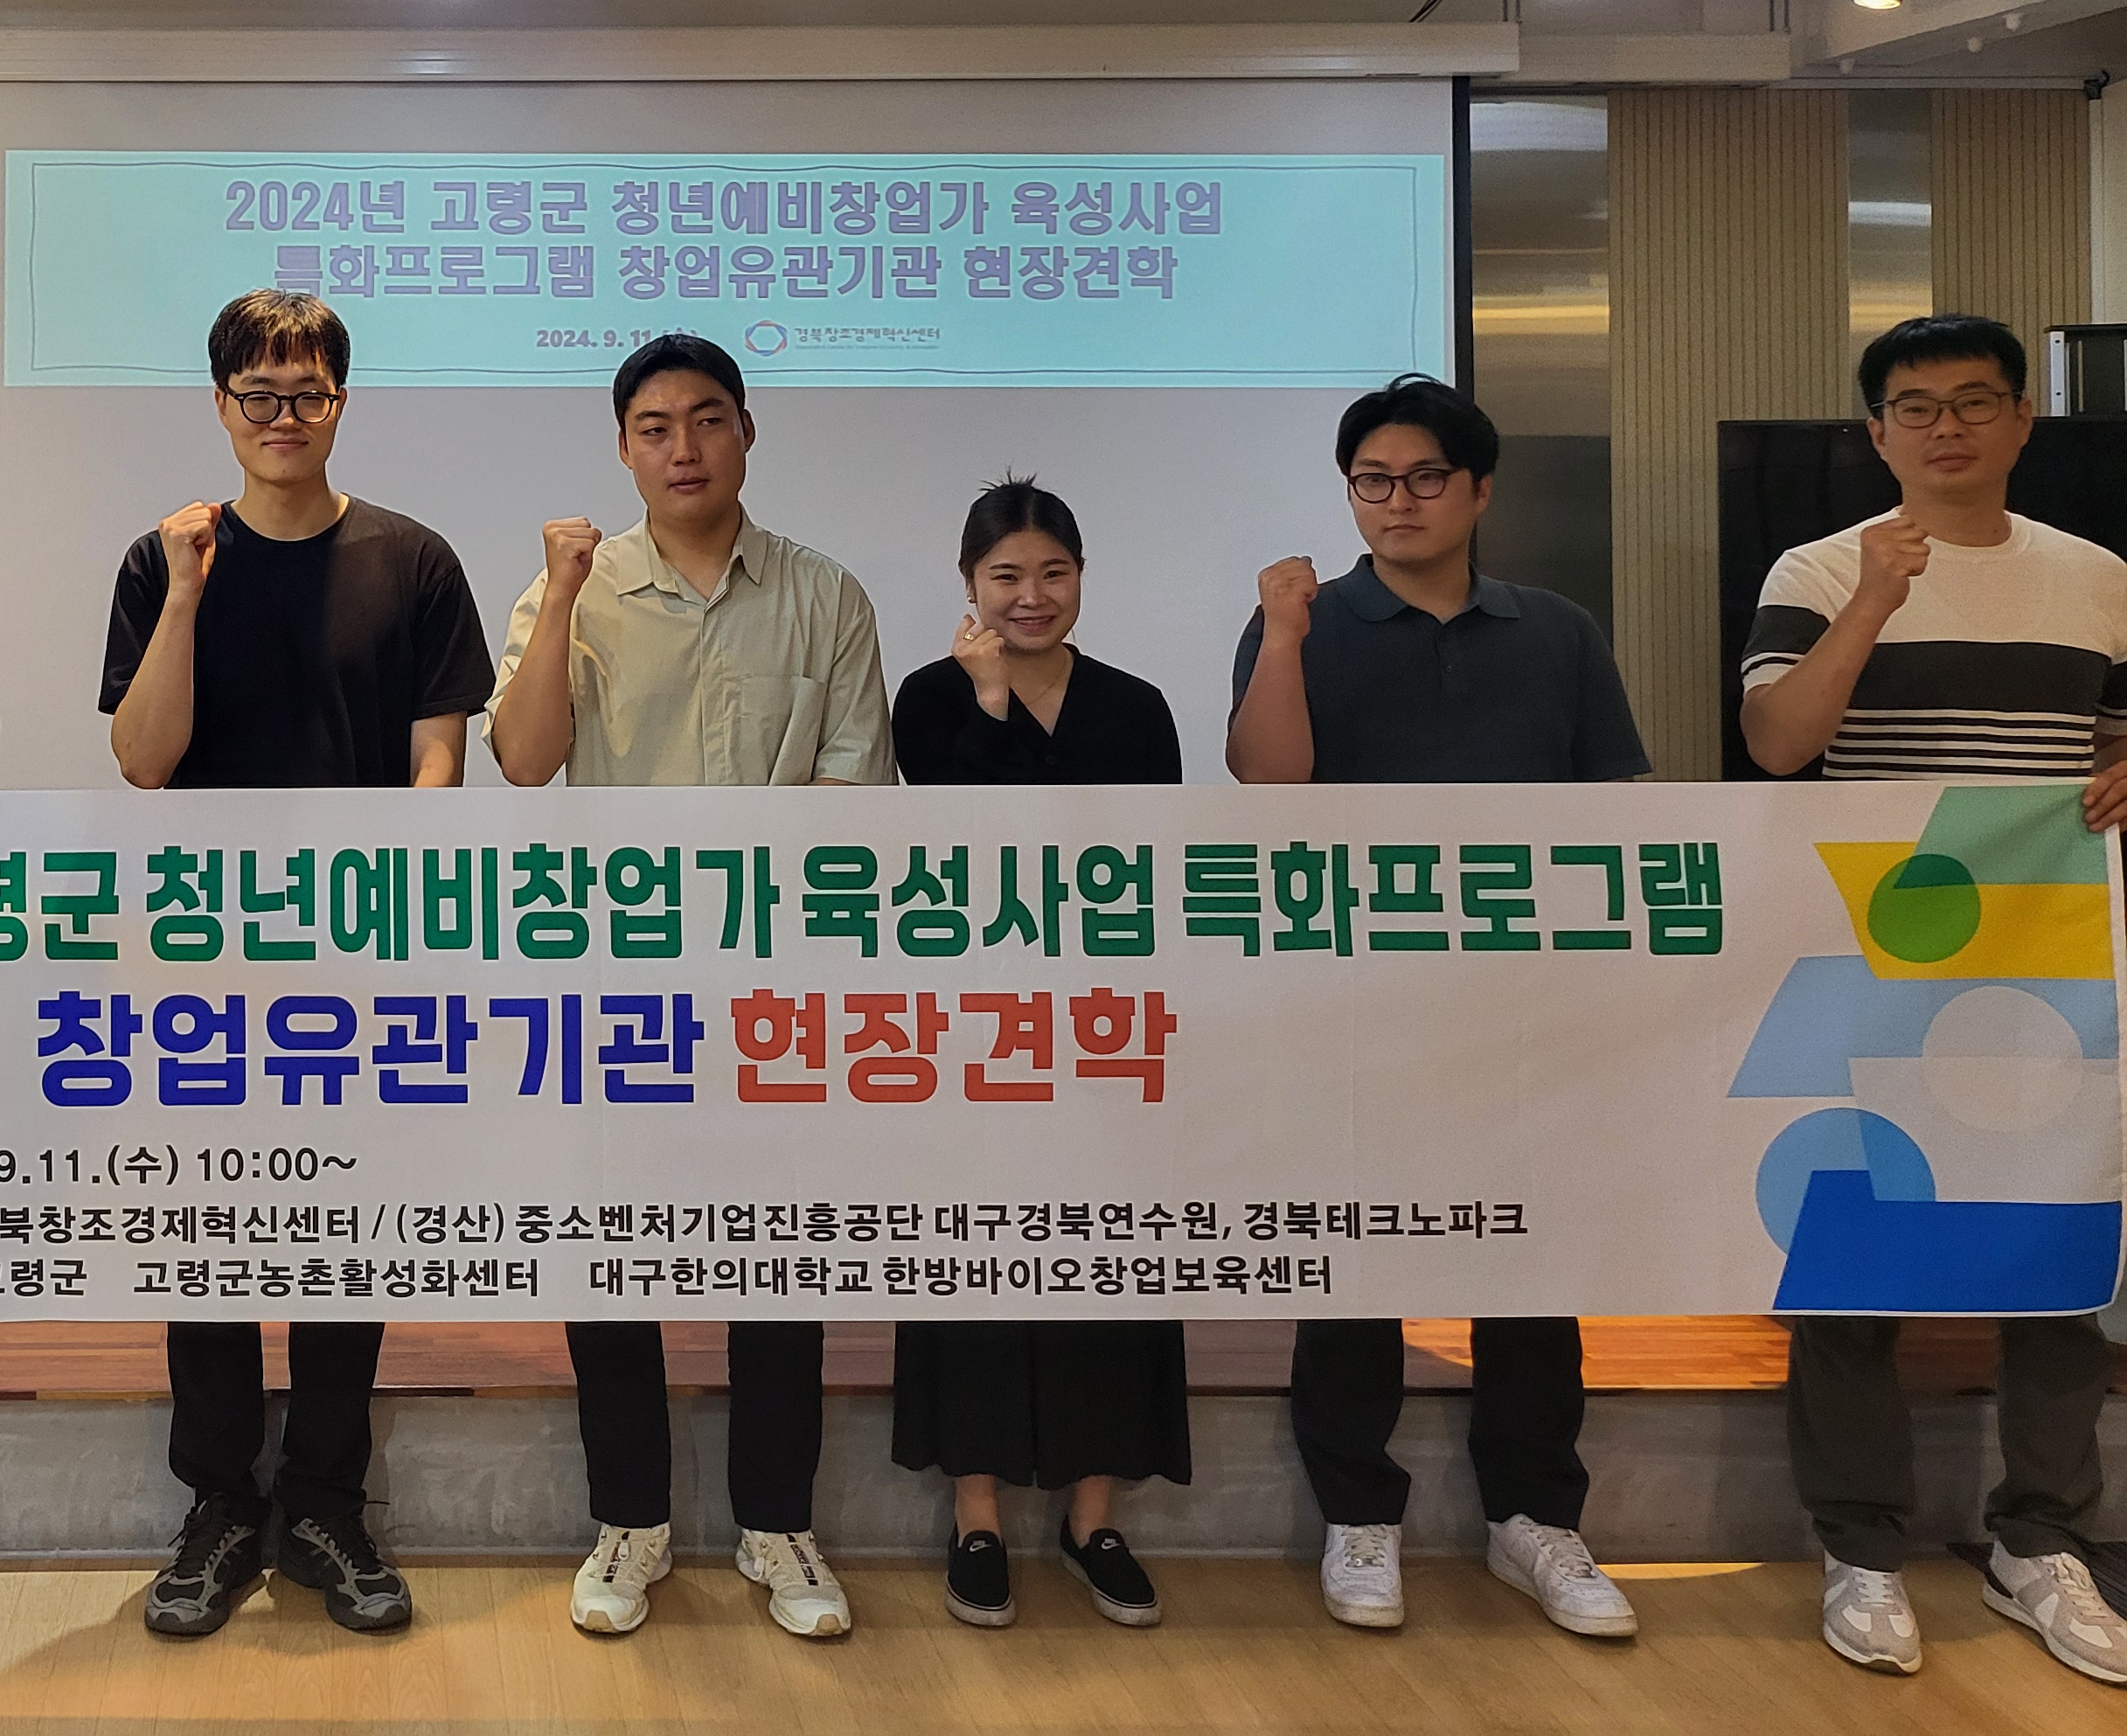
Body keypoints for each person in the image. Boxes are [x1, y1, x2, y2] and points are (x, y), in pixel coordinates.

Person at [1740, 312, 2127, 1688]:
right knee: (1857, 1254)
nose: (1947, 427)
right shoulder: (1818, 567)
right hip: (1872, 950)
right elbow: (1778, 744)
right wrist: (1874, 601)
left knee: (2056, 1254)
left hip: (2050, 959)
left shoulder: (2098, 578)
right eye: (1917, 407)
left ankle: (2041, 1541)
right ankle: (1862, 1547)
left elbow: (2114, 747)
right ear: (1877, 433)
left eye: (1975, 401)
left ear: (2022, 419)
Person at [100, 288, 493, 1640]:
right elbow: (143, 759)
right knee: (208, 1230)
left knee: (347, 1230)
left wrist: (392, 896)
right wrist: (187, 594)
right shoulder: (164, 559)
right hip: (203, 955)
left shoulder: (415, 559)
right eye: (258, 395)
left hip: (362, 953)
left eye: (307, 393)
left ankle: (326, 1499)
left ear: (340, 402)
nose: (283, 417)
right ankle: (219, 1501)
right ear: (222, 406)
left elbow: (440, 758)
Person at [1227, 373, 1644, 1644]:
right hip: (1357, 998)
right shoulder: (1303, 625)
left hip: (1524, 998)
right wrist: (1284, 638)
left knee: (1530, 1250)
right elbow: (1269, 786)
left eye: (1421, 479)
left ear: (1479, 489)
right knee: (1355, 1250)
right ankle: (1360, 1513)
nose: (1395, 502)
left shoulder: (1556, 629)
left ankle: (1535, 1515)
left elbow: (1616, 803)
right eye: (1372, 481)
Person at [490, 333, 893, 1643]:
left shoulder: (825, 594)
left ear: (747, 433)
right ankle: (631, 1521)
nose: (683, 448)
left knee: (782, 1254)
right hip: (614, 982)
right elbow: (523, 761)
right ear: (623, 449)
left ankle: (778, 1524)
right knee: (609, 1253)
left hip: (776, 981)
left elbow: (853, 793)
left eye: (708, 420)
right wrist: (561, 597)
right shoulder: (574, 588)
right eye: (655, 427)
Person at [888, 476, 1184, 1635]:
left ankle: (1093, 1518)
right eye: (1006, 575)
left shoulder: (1137, 704)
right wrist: (990, 700)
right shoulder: (929, 696)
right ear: (970, 584)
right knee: (975, 1261)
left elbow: (1151, 864)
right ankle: (977, 1518)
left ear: (1082, 577)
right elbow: (961, 839)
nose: (1031, 595)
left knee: (1105, 1261)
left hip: (1104, 1028)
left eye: (1053, 573)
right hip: (972, 1030)